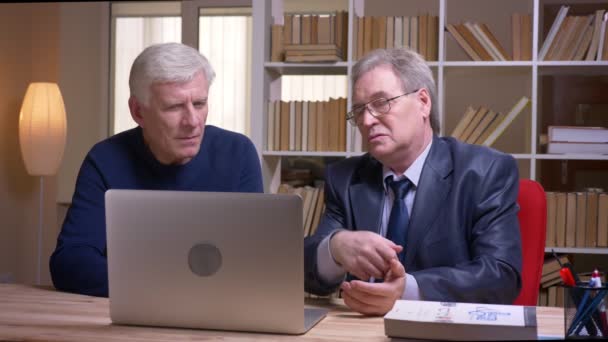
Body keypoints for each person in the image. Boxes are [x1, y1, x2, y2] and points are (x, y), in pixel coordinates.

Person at [304, 48, 522, 316]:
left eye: (381, 102)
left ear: (423, 102)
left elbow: (500, 275)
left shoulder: (484, 171)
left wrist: (408, 290)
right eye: (359, 110)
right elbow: (306, 274)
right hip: (359, 329)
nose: (367, 120)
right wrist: (334, 247)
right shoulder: (344, 178)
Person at [50, 42, 263, 297]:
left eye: (199, 103)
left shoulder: (238, 154)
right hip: (129, 316)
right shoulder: (104, 160)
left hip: (218, 315)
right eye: (174, 107)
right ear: (138, 111)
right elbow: (70, 262)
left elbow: (254, 262)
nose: (193, 122)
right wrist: (164, 290)